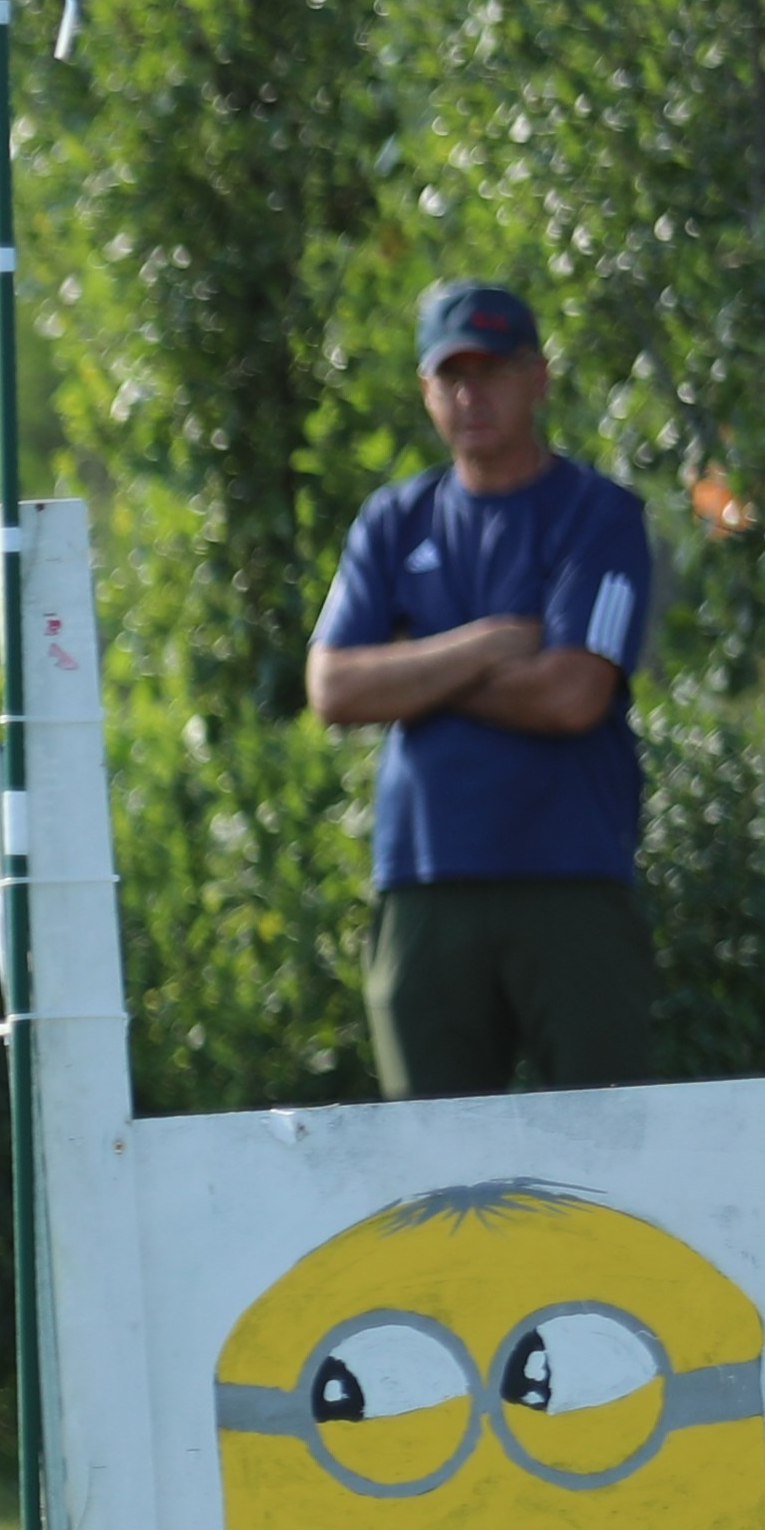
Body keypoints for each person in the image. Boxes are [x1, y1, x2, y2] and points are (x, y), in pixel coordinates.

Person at [306, 279, 667, 1099]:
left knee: (604, 1148)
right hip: (425, 882)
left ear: (537, 377)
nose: (472, 395)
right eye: (453, 376)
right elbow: (332, 688)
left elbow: (571, 696)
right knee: (435, 1159)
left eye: (494, 371)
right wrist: (485, 645)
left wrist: (409, 670)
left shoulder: (599, 515)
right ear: (427, 390)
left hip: (571, 876)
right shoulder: (393, 521)